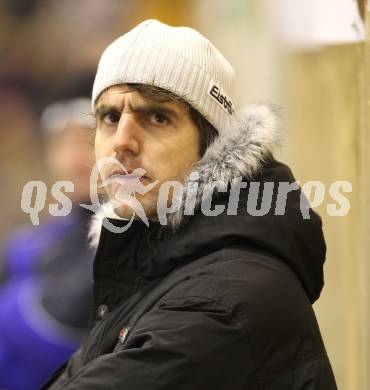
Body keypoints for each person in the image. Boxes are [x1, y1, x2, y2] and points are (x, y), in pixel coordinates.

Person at [43, 19, 337, 389]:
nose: (122, 142)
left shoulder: (221, 304)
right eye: (110, 116)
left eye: (157, 116)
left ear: (213, 148)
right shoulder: (159, 257)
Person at [0, 98, 95, 390]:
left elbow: (50, 332)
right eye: (61, 143)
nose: (73, 158)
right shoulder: (39, 236)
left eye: (86, 141)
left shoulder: (120, 235)